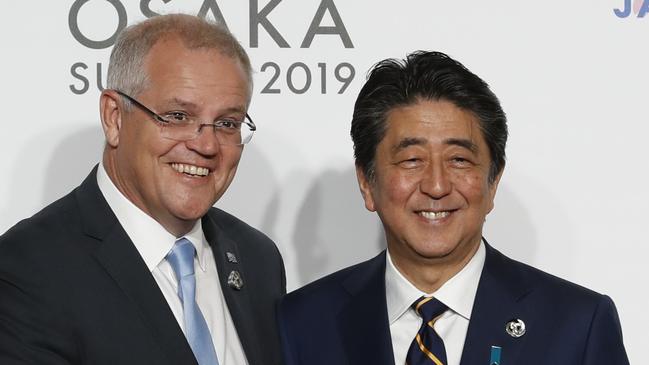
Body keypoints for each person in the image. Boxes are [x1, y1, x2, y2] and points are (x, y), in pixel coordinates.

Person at [277, 51, 629, 365]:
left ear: (492, 182)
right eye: (411, 159)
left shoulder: (577, 325)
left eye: (459, 160)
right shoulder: (302, 323)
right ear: (367, 183)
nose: (437, 186)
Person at [0, 14, 285, 365]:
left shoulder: (258, 259)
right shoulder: (27, 268)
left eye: (227, 123)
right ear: (114, 117)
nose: (208, 145)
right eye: (178, 116)